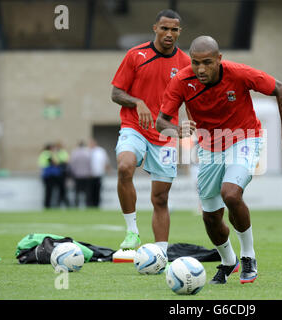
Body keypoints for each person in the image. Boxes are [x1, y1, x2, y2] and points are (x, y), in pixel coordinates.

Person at [156, 35, 282, 284]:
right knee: (210, 217)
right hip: (209, 148)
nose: (201, 69)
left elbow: (281, 89)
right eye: (195, 63)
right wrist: (175, 128)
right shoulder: (181, 81)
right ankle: (228, 261)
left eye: (207, 62)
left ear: (219, 60)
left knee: (231, 194)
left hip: (245, 139)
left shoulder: (239, 73)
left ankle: (249, 256)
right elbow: (162, 119)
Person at [110, 9, 191, 253]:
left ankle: (161, 254)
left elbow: (192, 98)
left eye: (174, 29)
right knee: (125, 166)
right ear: (155, 28)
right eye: (164, 28)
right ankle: (132, 232)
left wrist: (188, 125)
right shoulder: (136, 55)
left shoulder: (186, 63)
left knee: (161, 198)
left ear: (179, 32)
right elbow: (116, 93)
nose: (169, 33)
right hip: (134, 127)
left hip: (165, 136)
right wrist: (137, 102)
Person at [69, 141, 92, 208]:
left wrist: (72, 173)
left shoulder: (75, 153)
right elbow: (89, 164)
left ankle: (76, 204)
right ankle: (87, 204)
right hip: (86, 175)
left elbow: (72, 164)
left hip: (77, 175)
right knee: (87, 191)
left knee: (77, 191)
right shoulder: (87, 153)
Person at [88, 138, 110, 208]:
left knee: (97, 191)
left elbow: (106, 161)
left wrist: (107, 170)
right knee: (90, 191)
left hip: (98, 174)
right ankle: (90, 205)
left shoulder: (100, 151)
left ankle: (96, 205)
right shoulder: (87, 151)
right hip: (89, 175)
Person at [38, 143, 60, 209]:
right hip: (49, 175)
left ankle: (47, 205)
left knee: (48, 191)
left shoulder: (43, 153)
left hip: (46, 174)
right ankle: (47, 205)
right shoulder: (47, 154)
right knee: (49, 191)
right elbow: (53, 162)